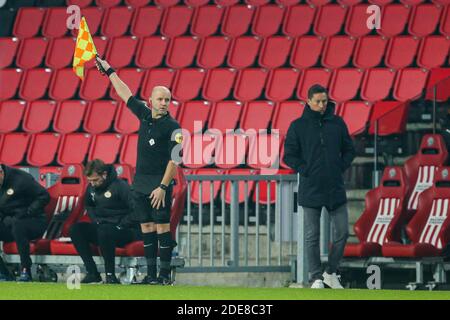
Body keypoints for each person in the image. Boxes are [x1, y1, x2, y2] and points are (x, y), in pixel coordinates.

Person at [95, 56, 182, 285]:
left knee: (162, 226)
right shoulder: (144, 115)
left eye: (168, 100)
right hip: (141, 183)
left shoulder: (174, 127)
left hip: (159, 184)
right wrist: (109, 70)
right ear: (150, 101)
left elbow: (175, 160)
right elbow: (125, 93)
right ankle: (151, 276)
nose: (164, 103)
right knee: (146, 227)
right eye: (160, 99)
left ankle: (164, 276)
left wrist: (163, 187)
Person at [283, 84, 355, 289]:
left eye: (325, 101)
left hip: (335, 187)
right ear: (308, 102)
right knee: (311, 236)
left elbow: (349, 150)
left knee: (342, 232)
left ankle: (331, 272)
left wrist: (339, 167)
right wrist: (306, 170)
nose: (323, 105)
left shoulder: (337, 123)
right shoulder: (297, 126)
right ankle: (316, 277)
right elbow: (289, 155)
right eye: (318, 102)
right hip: (310, 188)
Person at [70, 159, 140, 284]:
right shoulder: (91, 188)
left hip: (125, 231)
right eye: (90, 181)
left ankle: (110, 275)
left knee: (105, 230)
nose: (92, 184)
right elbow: (89, 205)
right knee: (76, 229)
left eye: (95, 180)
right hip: (103, 228)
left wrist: (121, 224)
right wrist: (95, 219)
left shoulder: (120, 186)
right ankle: (92, 273)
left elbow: (136, 210)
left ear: (104, 174)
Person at [0, 164, 50, 282]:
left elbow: (44, 196)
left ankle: (25, 269)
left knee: (18, 225)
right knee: (15, 224)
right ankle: (3, 272)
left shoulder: (21, 179)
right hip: (10, 222)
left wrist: (28, 212)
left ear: (1, 173)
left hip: (34, 221)